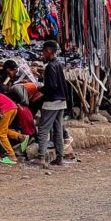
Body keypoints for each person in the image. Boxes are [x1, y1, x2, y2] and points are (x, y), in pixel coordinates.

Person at [36, 40, 67, 168]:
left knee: (43, 129)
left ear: (48, 51)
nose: (42, 55)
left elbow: (52, 86)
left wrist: (40, 89)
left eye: (43, 52)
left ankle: (41, 158)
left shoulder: (50, 66)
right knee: (58, 130)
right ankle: (60, 157)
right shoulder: (58, 64)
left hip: (52, 102)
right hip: (61, 101)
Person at [0, 88, 28, 165]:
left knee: (0, 134)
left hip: (6, 109)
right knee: (3, 130)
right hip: (13, 108)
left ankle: (11, 156)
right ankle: (20, 136)